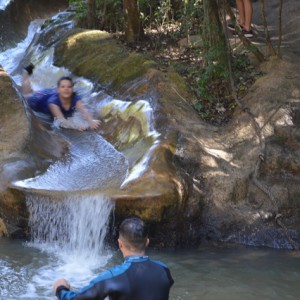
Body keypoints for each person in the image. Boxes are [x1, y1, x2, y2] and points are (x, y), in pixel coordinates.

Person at [53, 217, 174, 300]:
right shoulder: (164, 270)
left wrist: (61, 288)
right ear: (147, 242)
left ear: (120, 244)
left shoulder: (113, 277)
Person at [21, 63, 101, 130]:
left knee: (29, 92)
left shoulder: (76, 98)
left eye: (69, 87)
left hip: (50, 93)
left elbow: (84, 111)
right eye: (63, 87)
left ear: (72, 89)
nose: (66, 89)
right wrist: (78, 126)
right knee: (25, 96)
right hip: (38, 99)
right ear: (58, 89)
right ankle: (25, 73)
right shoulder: (53, 103)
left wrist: (91, 121)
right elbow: (61, 122)